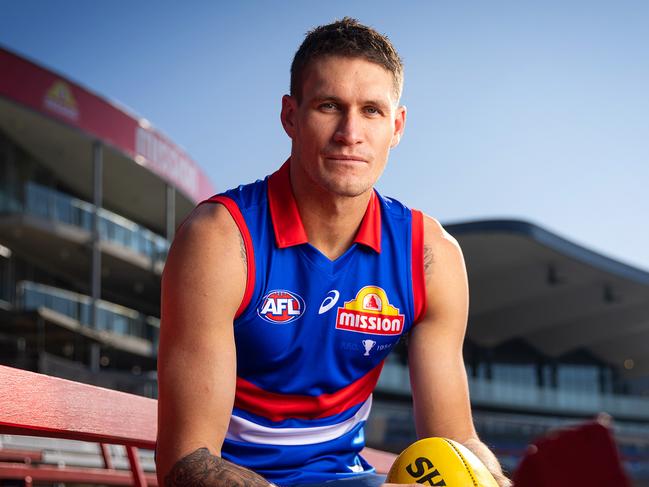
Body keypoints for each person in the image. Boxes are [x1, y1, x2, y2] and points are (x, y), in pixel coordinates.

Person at [156, 17, 512, 487]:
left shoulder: (430, 255)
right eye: (329, 106)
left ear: (397, 126)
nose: (350, 132)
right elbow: (188, 462)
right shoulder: (222, 239)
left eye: (372, 111)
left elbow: (453, 440)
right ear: (290, 115)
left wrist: (491, 479)